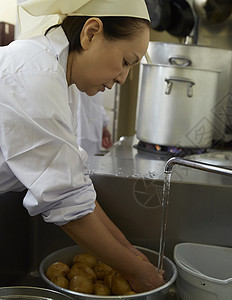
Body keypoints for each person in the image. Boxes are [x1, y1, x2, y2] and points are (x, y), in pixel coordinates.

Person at [0, 0, 165, 293]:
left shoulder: (60, 78)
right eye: (126, 61)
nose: (123, 77)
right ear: (91, 33)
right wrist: (140, 272)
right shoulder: (35, 74)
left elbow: (75, 188)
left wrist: (129, 253)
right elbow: (65, 201)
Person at [77, 91, 113, 155]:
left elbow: (97, 104)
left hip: (95, 131)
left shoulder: (99, 87)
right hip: (80, 131)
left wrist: (103, 126)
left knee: (92, 162)